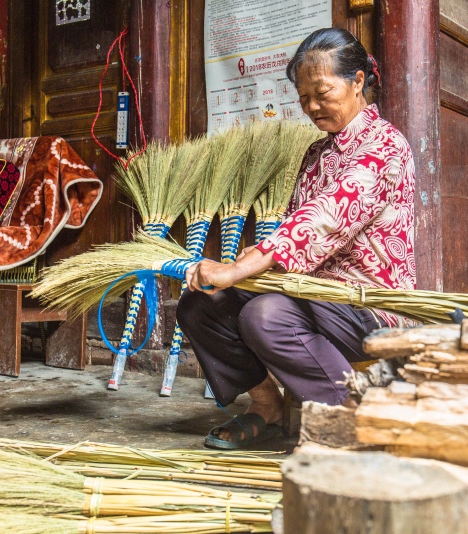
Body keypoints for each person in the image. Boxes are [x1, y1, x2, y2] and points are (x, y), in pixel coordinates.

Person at [178, 27, 416, 449]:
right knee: (201, 303)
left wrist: (236, 269)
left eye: (322, 93)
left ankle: (346, 420)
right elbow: (293, 227)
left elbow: (321, 220)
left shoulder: (385, 146)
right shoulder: (316, 155)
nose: (311, 106)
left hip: (366, 302)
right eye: (304, 97)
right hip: (306, 291)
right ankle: (266, 406)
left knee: (266, 316)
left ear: (358, 81)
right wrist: (245, 263)